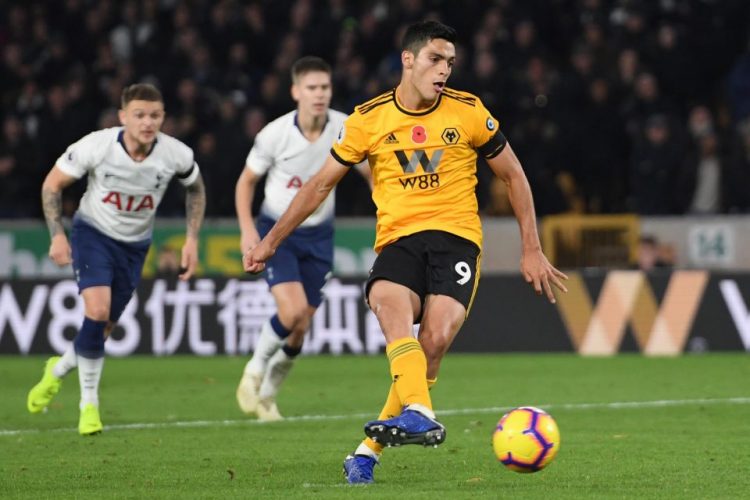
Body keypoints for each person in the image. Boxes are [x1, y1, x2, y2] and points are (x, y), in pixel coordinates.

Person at [244, 21, 567, 484]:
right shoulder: (369, 119)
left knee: (432, 343)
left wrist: (531, 247)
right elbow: (318, 186)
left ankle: (367, 452)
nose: (444, 70)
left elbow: (513, 175)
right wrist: (270, 241)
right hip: (399, 240)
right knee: (389, 306)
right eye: (436, 59)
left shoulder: (469, 112)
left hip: (456, 240)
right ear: (408, 60)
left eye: (450, 62)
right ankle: (418, 411)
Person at [26, 83, 206, 435]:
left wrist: (192, 239)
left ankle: (57, 370)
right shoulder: (97, 146)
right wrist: (57, 234)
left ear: (163, 117)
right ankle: (89, 406)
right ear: (123, 116)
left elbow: (196, 188)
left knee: (102, 328)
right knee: (97, 312)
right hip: (93, 234)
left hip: (135, 246)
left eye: (154, 115)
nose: (147, 122)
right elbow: (52, 185)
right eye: (139, 115)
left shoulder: (176, 154)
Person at [235, 56, 369, 421]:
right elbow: (246, 182)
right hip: (278, 231)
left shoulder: (344, 127)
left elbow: (371, 174)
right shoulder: (274, 134)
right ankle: (254, 370)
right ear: (296, 92)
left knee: (301, 326)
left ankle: (268, 396)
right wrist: (248, 230)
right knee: (291, 312)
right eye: (312, 88)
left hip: (320, 234)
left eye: (325, 87)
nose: (319, 94)